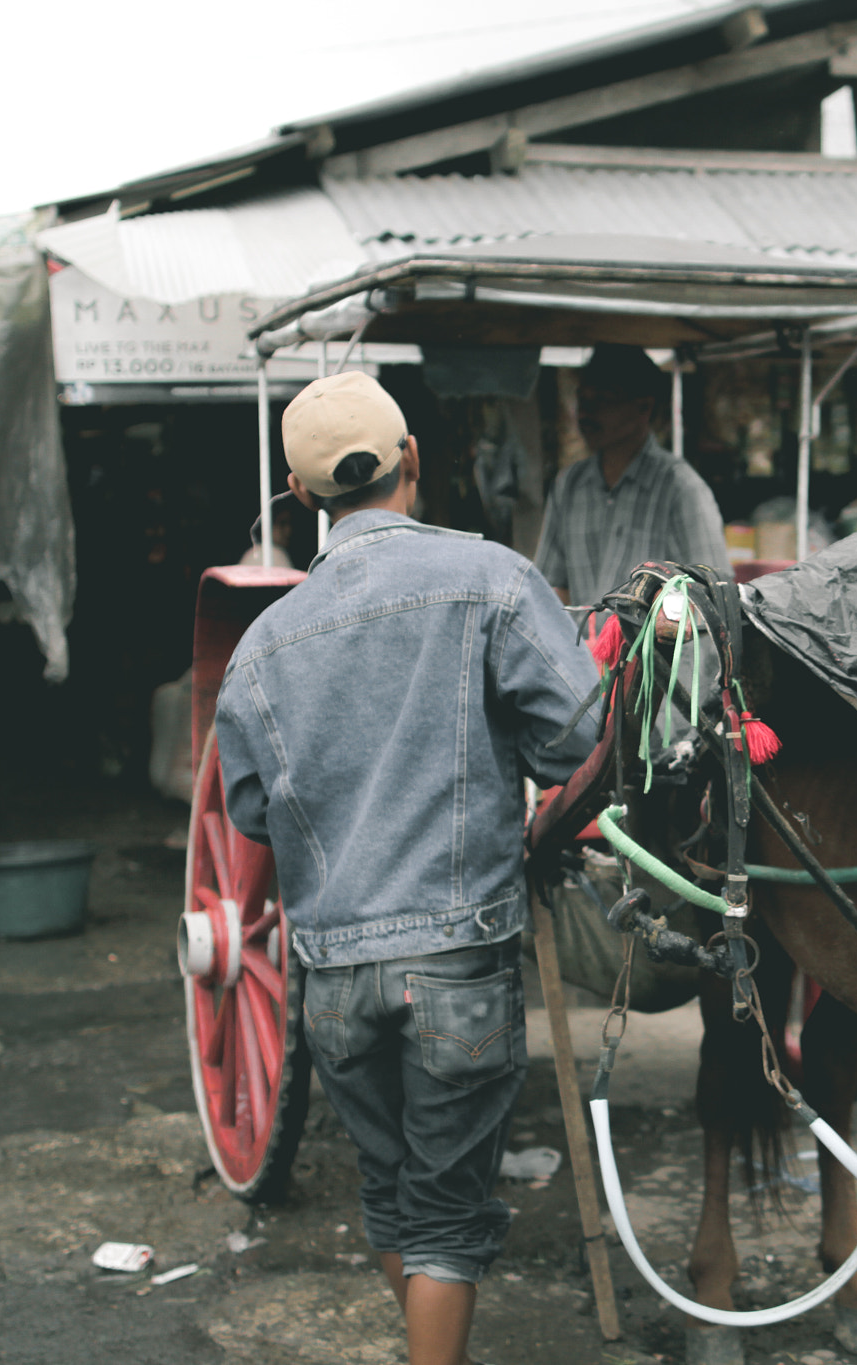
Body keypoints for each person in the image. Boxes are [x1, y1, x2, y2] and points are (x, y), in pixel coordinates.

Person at [214, 371, 601, 1365]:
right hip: (457, 957)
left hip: (335, 975)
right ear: (413, 462)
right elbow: (579, 743)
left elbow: (252, 816)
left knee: (390, 1194)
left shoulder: (259, 648)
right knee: (445, 1217)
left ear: (302, 500)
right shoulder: (492, 581)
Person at [534, 345, 731, 605]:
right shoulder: (570, 485)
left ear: (643, 407)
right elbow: (552, 585)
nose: (586, 413)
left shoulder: (680, 488)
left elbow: (714, 595)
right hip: (583, 645)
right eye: (583, 399)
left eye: (603, 400)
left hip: (648, 646)